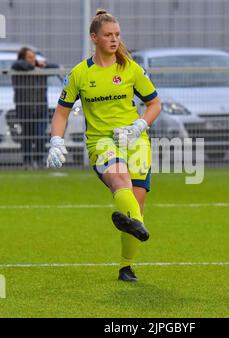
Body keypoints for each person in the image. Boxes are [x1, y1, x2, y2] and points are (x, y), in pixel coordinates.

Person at [46, 9, 161, 282]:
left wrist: (139, 126)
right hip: (101, 142)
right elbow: (61, 112)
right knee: (120, 180)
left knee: (136, 205)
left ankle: (126, 266)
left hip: (135, 141)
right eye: (108, 35)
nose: (114, 39)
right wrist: (56, 141)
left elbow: (154, 104)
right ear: (94, 37)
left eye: (117, 35)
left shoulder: (131, 69)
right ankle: (137, 224)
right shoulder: (79, 74)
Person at [11, 47, 59, 168]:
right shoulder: (18, 68)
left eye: (34, 57)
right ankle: (27, 162)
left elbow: (56, 67)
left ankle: (40, 160)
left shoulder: (40, 69)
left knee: (40, 135)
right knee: (27, 135)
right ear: (23, 58)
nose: (33, 60)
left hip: (40, 108)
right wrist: (34, 65)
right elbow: (19, 64)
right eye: (30, 57)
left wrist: (42, 64)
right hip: (24, 109)